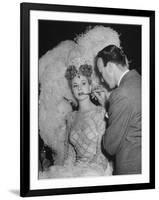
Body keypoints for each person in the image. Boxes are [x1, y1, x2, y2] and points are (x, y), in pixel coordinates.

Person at [39, 64, 112, 178]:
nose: (79, 88)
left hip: (97, 171)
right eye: (75, 85)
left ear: (90, 86)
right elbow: (70, 154)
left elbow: (102, 154)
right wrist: (66, 172)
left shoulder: (100, 112)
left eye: (83, 83)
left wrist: (84, 174)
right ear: (72, 90)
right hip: (75, 170)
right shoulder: (71, 117)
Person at [94, 44, 141, 175]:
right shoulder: (140, 82)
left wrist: (109, 107)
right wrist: (106, 105)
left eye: (101, 73)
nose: (102, 79)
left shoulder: (120, 94)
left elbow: (110, 146)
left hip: (132, 170)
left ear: (109, 67)